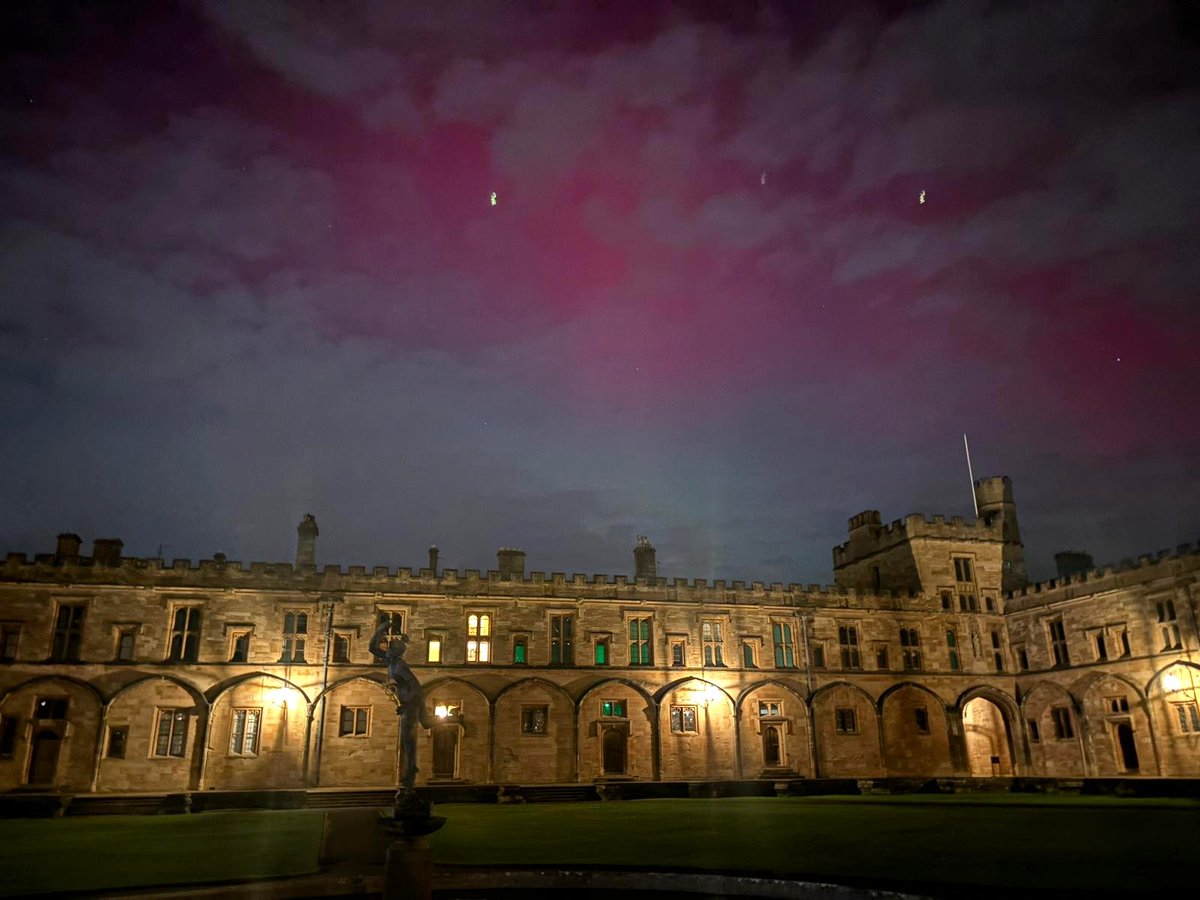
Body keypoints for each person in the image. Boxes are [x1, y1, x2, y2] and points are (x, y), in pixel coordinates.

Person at [369, 619, 431, 791]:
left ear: (396, 652)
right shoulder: (391, 661)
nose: (386, 649)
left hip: (412, 703)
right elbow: (371, 648)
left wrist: (407, 705)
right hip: (409, 702)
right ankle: (454, 719)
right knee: (427, 724)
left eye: (390, 647)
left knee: (407, 738)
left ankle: (411, 768)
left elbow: (416, 687)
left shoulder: (400, 665)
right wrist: (380, 629)